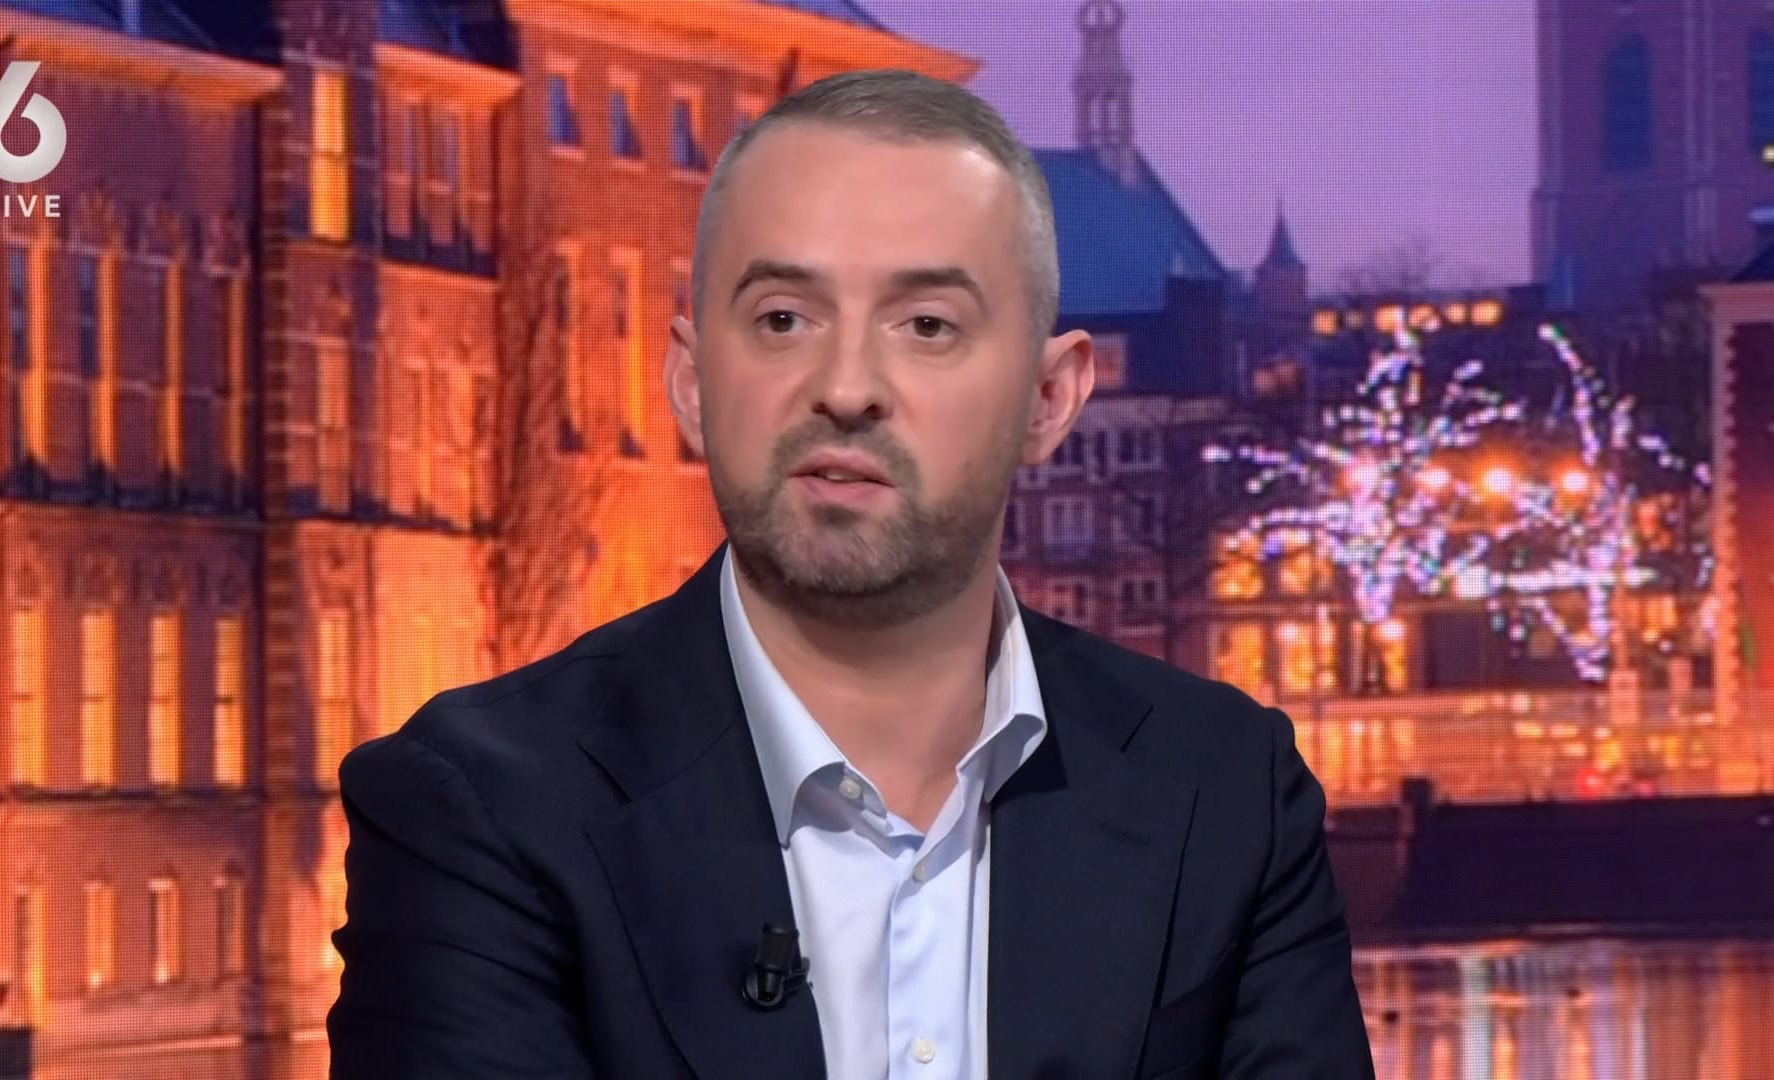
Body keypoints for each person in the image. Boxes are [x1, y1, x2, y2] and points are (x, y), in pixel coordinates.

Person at [327, 68, 1375, 1079]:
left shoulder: (1226, 794)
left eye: (927, 327)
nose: (846, 386)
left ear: (1049, 399)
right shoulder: (476, 812)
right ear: (691, 383)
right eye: (784, 319)